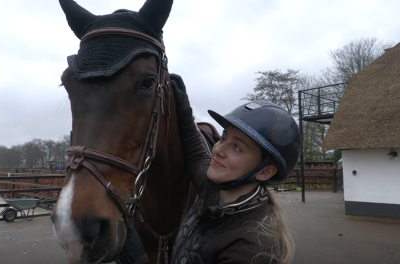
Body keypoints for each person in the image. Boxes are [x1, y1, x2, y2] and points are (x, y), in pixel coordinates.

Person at [118, 74, 302, 264]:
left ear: (265, 171)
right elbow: (196, 155)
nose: (218, 149)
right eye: (224, 138)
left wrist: (139, 260)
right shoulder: (216, 192)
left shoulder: (251, 248)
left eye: (236, 147)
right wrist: (183, 111)